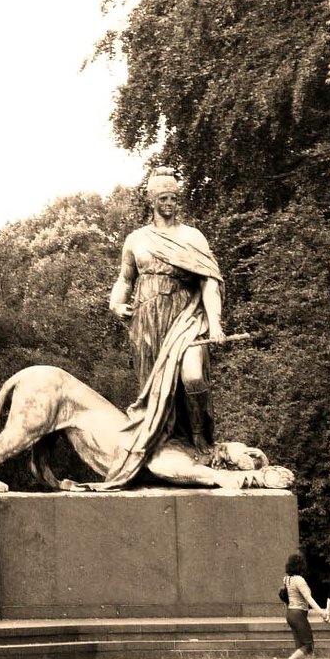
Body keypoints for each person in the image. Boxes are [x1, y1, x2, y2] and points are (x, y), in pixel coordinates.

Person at [108, 167, 225, 450]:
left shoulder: (192, 237)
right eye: (163, 199)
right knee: (154, 387)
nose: (170, 205)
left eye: (173, 199)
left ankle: (198, 433)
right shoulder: (136, 239)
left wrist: (216, 323)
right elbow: (125, 279)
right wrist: (115, 304)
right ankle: (159, 441)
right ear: (152, 201)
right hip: (148, 319)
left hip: (187, 316)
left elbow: (209, 282)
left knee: (193, 375)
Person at [280, 553, 324, 659]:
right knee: (308, 645)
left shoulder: (286, 579)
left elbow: (285, 597)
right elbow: (309, 599)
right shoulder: (299, 580)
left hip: (290, 613)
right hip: (298, 614)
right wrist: (321, 613)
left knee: (299, 646)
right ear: (301, 565)